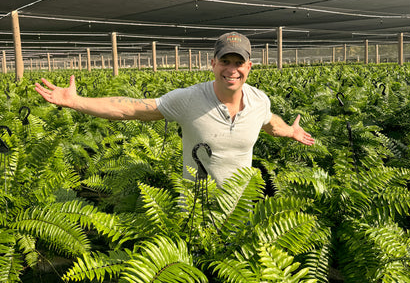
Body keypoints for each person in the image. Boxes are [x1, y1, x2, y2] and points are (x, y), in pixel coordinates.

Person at [35, 32, 314, 187]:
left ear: (249, 67)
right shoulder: (189, 99)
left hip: (241, 210)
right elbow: (132, 108)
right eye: (225, 61)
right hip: (195, 211)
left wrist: (291, 131)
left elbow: (269, 122)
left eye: (238, 62)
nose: (232, 69)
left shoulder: (259, 101)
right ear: (213, 64)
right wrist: (76, 101)